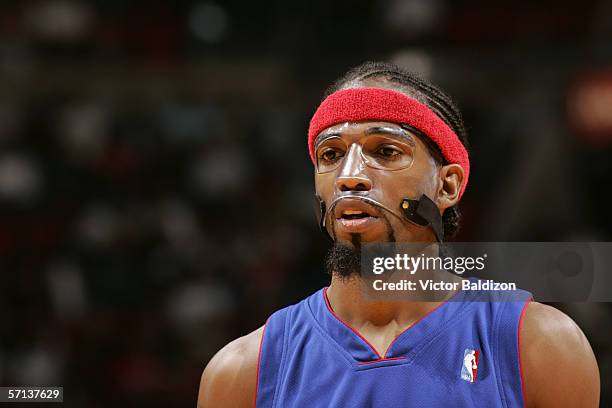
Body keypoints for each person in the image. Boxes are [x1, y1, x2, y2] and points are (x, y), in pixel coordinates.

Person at [197, 62, 600, 407]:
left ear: (447, 186)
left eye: (385, 151)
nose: (350, 176)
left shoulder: (538, 345)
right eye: (331, 155)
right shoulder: (243, 371)